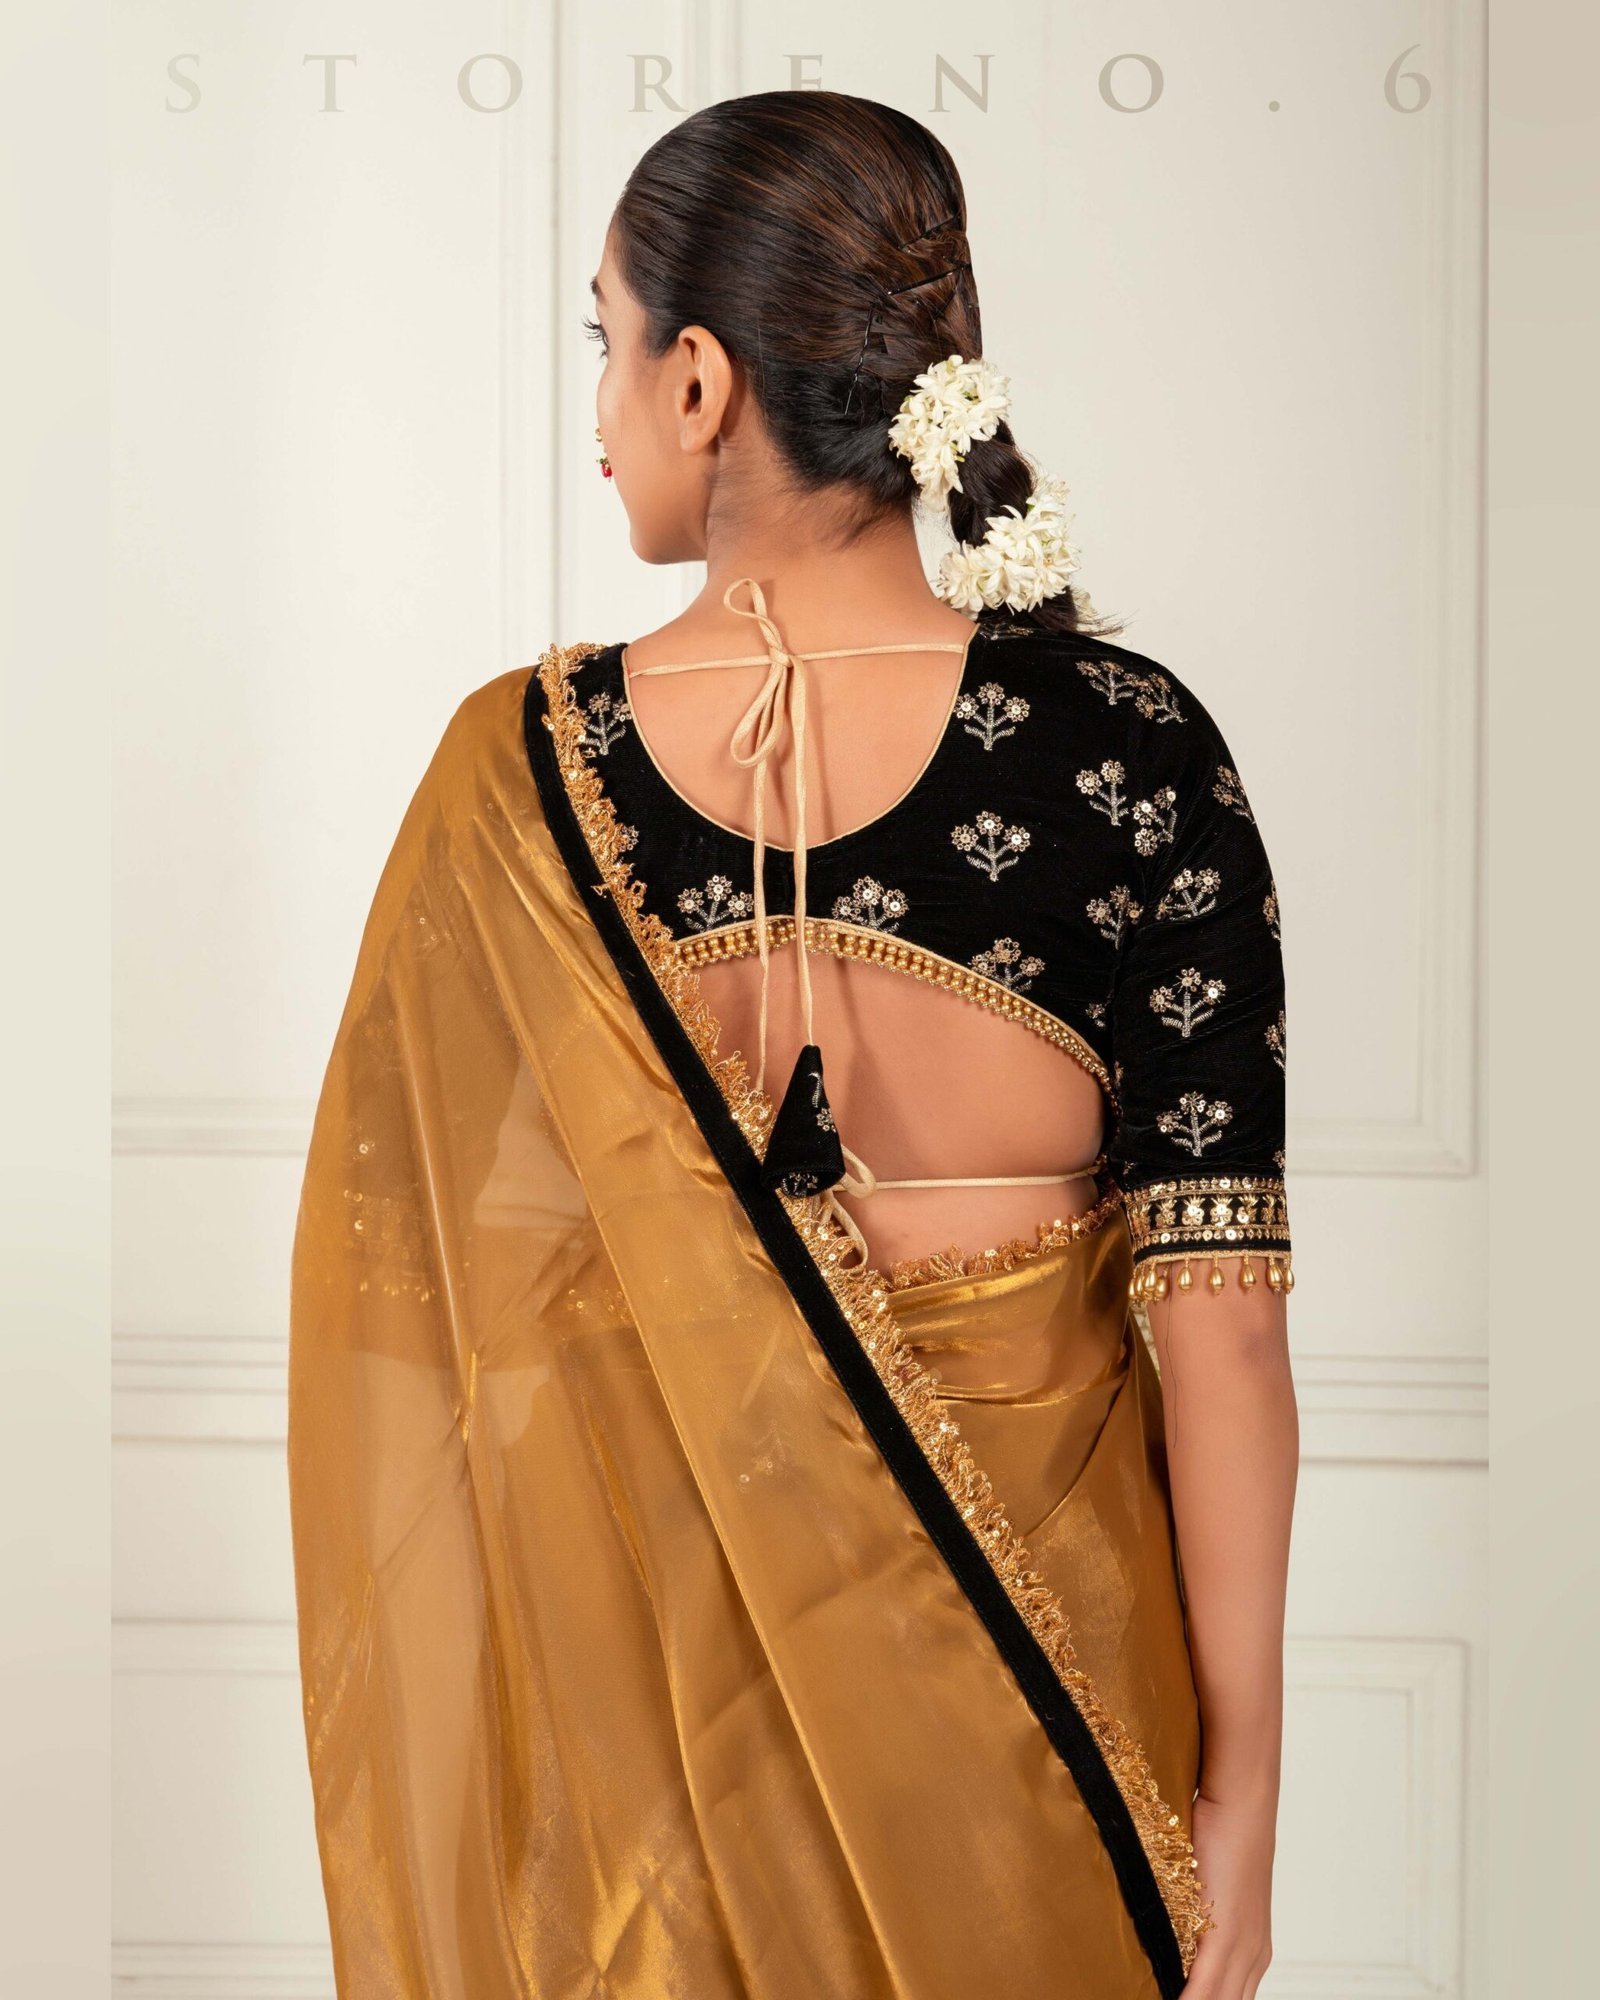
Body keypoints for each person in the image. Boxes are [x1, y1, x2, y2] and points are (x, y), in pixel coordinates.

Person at [288, 90, 1299, 2000]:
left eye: (605, 344)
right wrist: (1237, 1801)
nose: (598, 415)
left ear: (698, 383)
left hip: (671, 1713)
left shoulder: (527, 770)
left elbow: (431, 1298)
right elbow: (1225, 1327)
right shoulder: (1133, 744)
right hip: (1062, 1718)